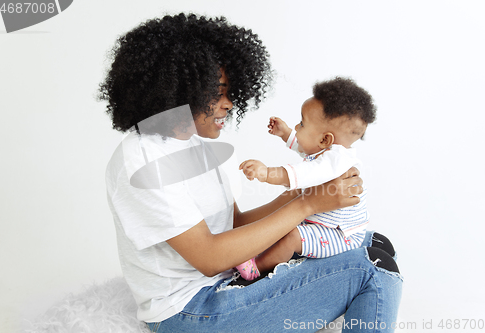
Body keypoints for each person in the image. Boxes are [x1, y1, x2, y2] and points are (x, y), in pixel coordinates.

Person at [99, 13, 402, 333]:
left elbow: (235, 226)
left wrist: (307, 191)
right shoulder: (142, 158)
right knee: (374, 268)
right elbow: (210, 256)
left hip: (227, 281)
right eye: (217, 92)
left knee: (373, 242)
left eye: (231, 92)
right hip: (190, 312)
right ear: (179, 89)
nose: (229, 104)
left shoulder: (196, 148)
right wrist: (308, 204)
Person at [236, 77, 377, 280]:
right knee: (284, 225)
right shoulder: (328, 154)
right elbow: (306, 150)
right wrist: (286, 134)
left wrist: (266, 173)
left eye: (302, 124)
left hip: (340, 235)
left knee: (292, 236)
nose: (297, 126)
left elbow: (304, 173)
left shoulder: (335, 161)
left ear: (325, 139)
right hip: (323, 223)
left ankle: (256, 268)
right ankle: (261, 254)